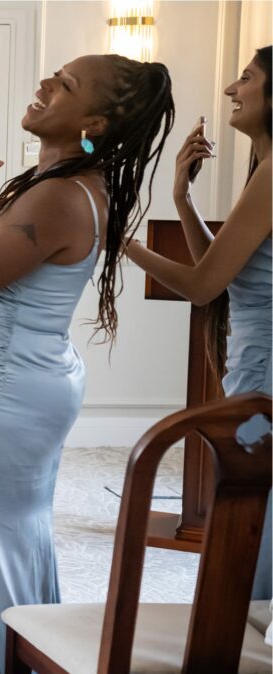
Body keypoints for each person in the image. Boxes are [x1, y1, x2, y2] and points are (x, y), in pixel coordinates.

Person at [0, 54, 175, 674]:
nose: (46, 83)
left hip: (2, 397)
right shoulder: (62, 182)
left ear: (95, 122)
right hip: (20, 384)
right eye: (55, 73)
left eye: (66, 85)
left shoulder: (60, 196)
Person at [124, 45, 272, 600]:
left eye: (247, 78)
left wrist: (122, 242)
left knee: (254, 505)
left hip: (266, 384)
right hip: (255, 367)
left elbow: (201, 286)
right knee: (247, 498)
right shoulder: (264, 170)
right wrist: (181, 197)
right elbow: (225, 276)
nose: (233, 90)